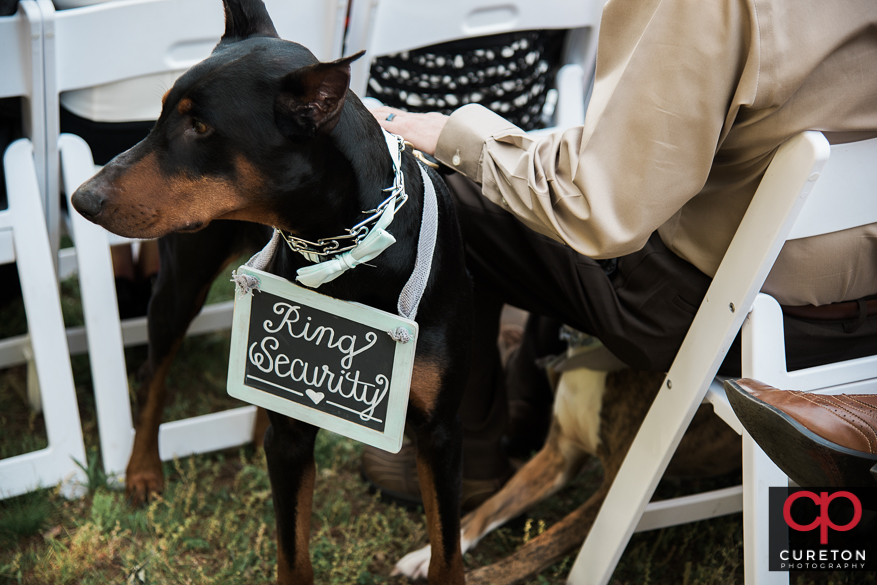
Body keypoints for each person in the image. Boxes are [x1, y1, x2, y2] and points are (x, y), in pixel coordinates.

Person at [366, 0, 877, 497]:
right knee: (537, 201)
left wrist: (457, 138)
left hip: (731, 318)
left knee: (455, 202)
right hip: (860, 323)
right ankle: (529, 401)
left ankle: (469, 459)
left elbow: (600, 208)